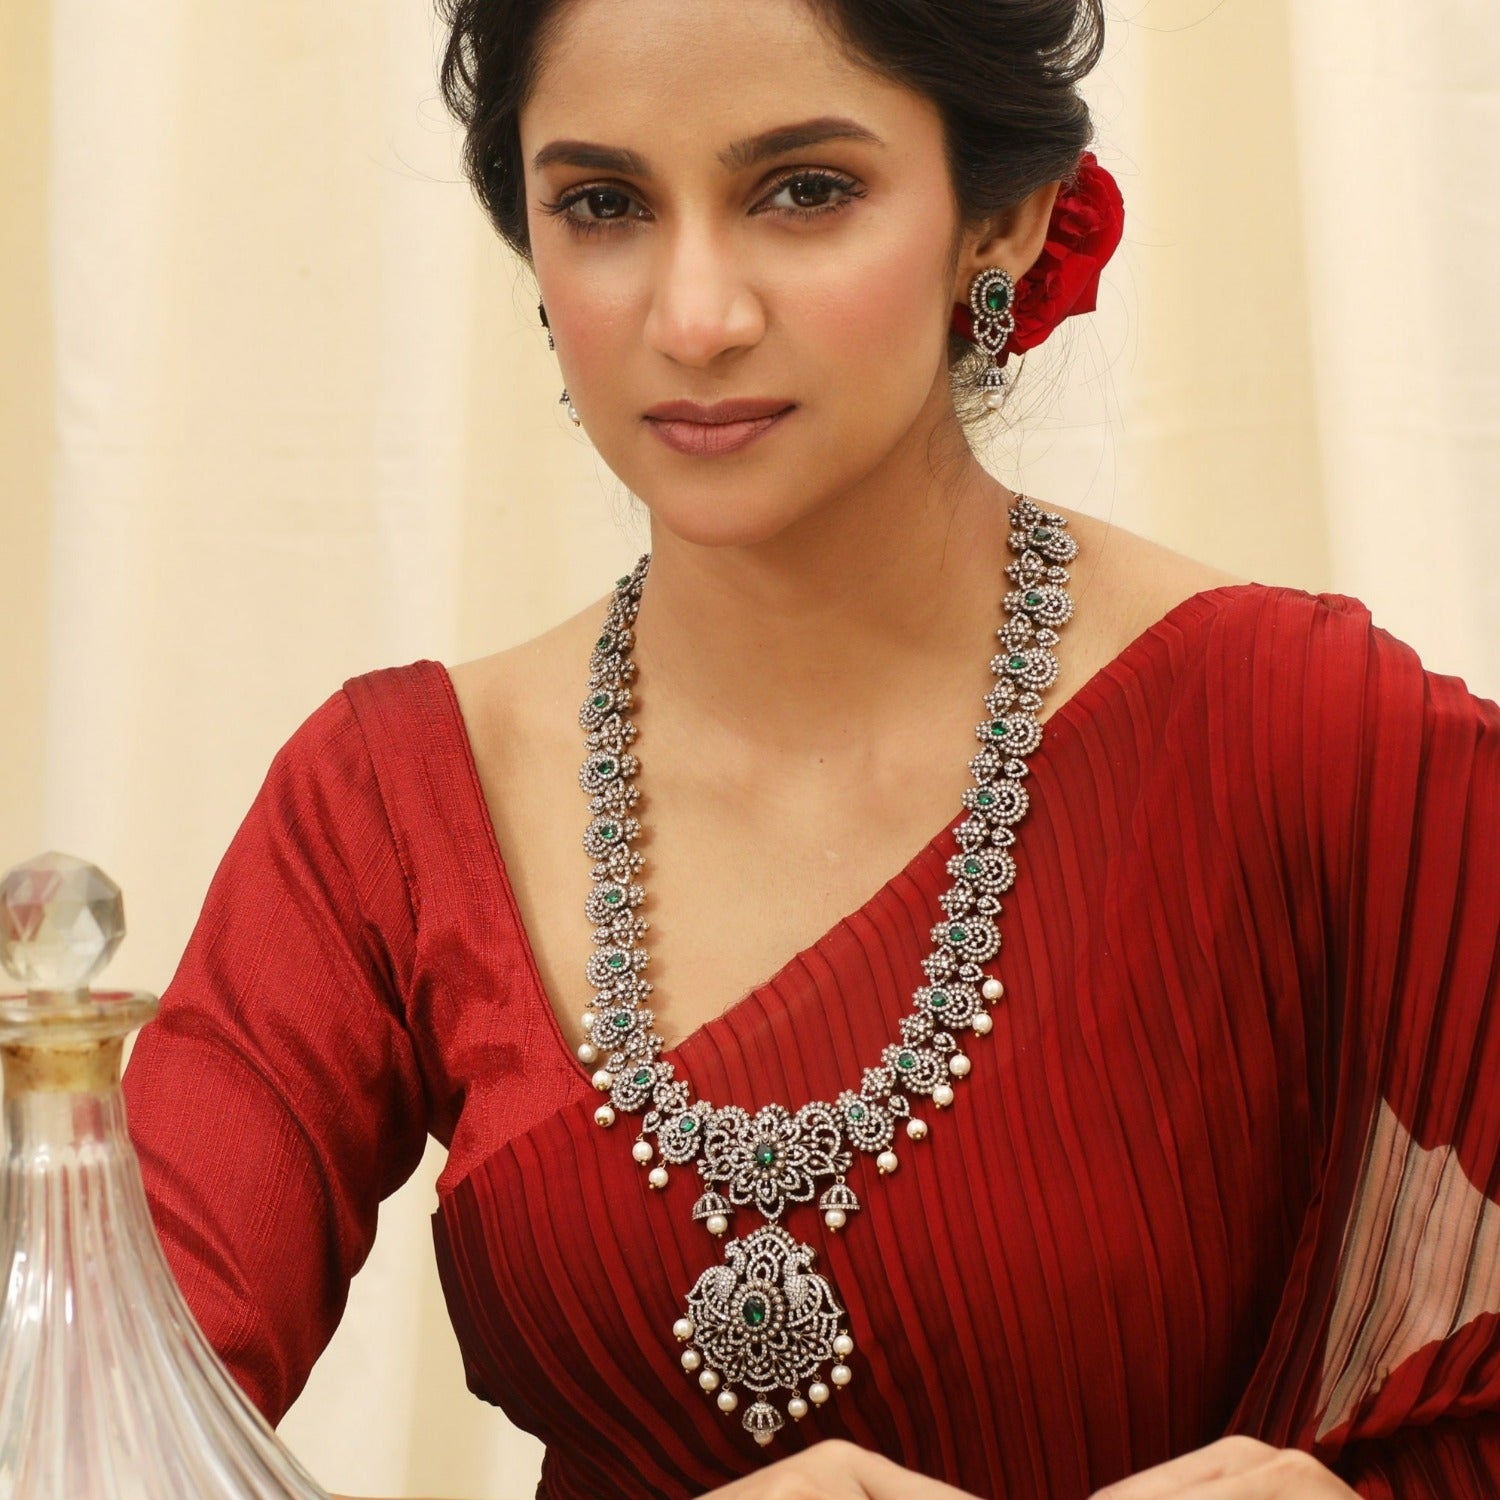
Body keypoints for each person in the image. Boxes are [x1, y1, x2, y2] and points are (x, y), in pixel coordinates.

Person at [121, 0, 1500, 1496]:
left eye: (805, 191)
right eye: (603, 206)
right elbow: (87, 1429)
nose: (695, 314)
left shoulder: (1283, 728)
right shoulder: (391, 809)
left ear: (1007, 216)